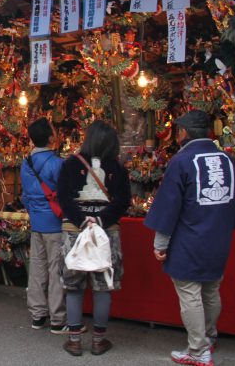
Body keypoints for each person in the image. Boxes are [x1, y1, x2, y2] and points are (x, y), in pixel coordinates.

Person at [144, 110, 235, 366]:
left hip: (189, 237)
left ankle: (198, 350)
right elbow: (233, 204)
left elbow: (168, 206)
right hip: (218, 237)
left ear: (183, 132)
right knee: (211, 289)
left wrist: (160, 243)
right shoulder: (227, 160)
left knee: (190, 293)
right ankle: (209, 336)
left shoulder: (182, 161)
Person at [57, 120, 131, 357]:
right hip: (106, 233)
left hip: (73, 231)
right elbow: (122, 201)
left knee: (74, 286)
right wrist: (100, 220)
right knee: (102, 286)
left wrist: (82, 220)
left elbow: (64, 198)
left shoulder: (70, 164)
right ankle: (99, 340)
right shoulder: (117, 168)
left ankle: (75, 340)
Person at [20, 117, 67, 334]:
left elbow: (26, 195)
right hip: (55, 224)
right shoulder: (57, 163)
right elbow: (66, 194)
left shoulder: (26, 163)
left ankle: (38, 315)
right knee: (56, 270)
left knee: (37, 268)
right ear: (50, 138)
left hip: (36, 222)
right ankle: (58, 319)